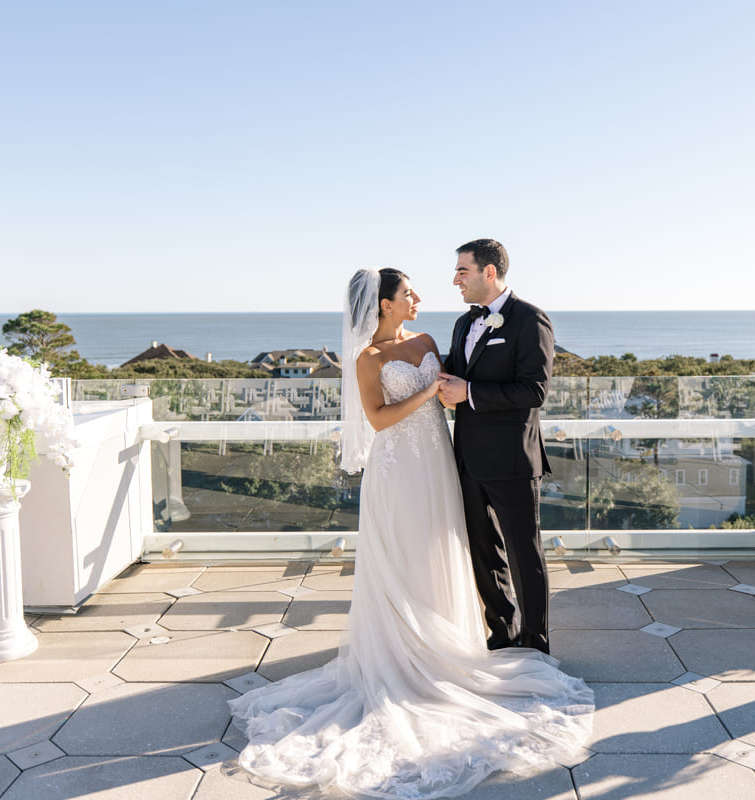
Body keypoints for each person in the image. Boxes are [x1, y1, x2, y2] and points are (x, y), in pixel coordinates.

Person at [229, 267, 592, 799]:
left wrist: (455, 393)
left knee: (446, 550)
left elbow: (474, 384)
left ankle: (463, 639)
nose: (418, 297)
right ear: (383, 305)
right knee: (402, 557)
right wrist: (430, 395)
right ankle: (406, 654)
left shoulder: (426, 339)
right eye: (407, 294)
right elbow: (377, 420)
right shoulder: (367, 360)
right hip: (397, 469)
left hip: (441, 465)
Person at [439, 239, 554, 654]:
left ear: (489, 272)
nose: (455, 279)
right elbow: (450, 373)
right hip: (468, 459)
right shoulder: (462, 323)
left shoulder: (529, 319)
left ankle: (535, 642)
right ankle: (502, 634)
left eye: (462, 271)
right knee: (484, 554)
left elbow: (534, 391)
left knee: (525, 554)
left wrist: (469, 392)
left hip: (512, 460)